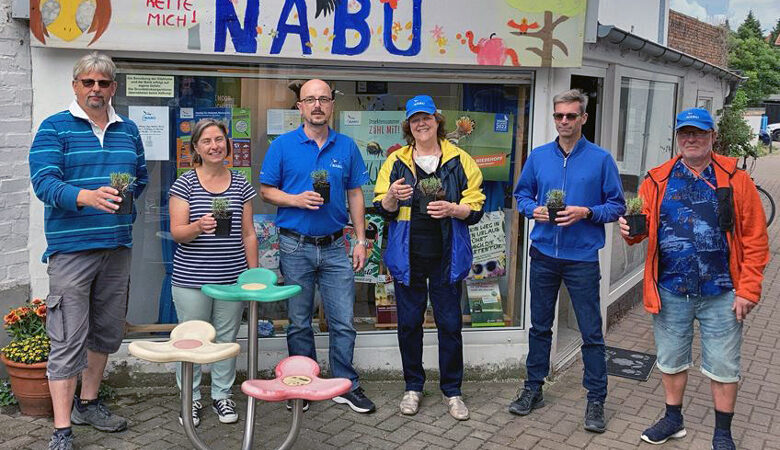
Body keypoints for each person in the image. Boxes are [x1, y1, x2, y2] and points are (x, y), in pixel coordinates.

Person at [618, 108, 769, 450]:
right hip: (671, 289)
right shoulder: (657, 179)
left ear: (713, 137)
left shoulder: (735, 180)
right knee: (670, 360)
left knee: (724, 365)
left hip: (723, 292)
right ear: (677, 138)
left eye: (699, 133)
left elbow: (756, 239)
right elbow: (640, 228)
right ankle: (673, 420)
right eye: (685, 133)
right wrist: (629, 231)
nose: (691, 139)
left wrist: (748, 289)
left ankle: (723, 432)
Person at [28, 52, 148, 450]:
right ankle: (62, 429)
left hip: (116, 248)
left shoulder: (128, 130)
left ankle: (89, 403)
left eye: (103, 83)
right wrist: (85, 196)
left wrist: (124, 198)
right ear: (75, 85)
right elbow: (44, 182)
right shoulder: (54, 129)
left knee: (105, 333)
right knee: (66, 338)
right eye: (88, 82)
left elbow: (141, 177)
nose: (96, 89)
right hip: (72, 252)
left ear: (113, 88)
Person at [510, 89, 625, 433]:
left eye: (571, 116)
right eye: (559, 115)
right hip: (543, 254)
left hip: (582, 260)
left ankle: (596, 400)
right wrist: (535, 211)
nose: (564, 121)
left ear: (583, 118)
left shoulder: (601, 159)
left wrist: (586, 212)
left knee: (591, 332)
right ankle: (534, 389)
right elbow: (520, 196)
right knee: (540, 327)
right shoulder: (539, 156)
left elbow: (616, 205)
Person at [259, 79, 375, 413]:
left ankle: (345, 385)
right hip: (295, 246)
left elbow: (355, 194)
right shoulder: (283, 146)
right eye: (310, 99)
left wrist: (361, 240)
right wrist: (294, 199)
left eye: (323, 99)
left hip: (337, 246)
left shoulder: (347, 146)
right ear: (300, 107)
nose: (317, 105)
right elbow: (267, 190)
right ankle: (302, 384)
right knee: (299, 321)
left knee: (343, 321)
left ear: (332, 105)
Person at [373, 95, 485, 420]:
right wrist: (392, 195)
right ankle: (413, 387)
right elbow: (383, 208)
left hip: (447, 258)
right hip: (408, 257)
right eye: (415, 119)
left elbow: (476, 206)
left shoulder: (459, 159)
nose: (421, 124)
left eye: (427, 118)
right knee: (409, 325)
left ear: (437, 121)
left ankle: (453, 391)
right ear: (408, 126)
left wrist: (453, 208)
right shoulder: (395, 162)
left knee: (450, 326)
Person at [168, 119, 258, 427]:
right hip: (192, 279)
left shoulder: (241, 184)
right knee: (191, 340)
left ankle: (222, 396)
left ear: (228, 144)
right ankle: (190, 400)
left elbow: (248, 234)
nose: (214, 146)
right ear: (196, 148)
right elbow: (177, 233)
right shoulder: (185, 183)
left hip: (232, 279)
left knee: (225, 340)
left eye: (219, 139)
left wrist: (253, 275)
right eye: (206, 141)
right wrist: (196, 227)